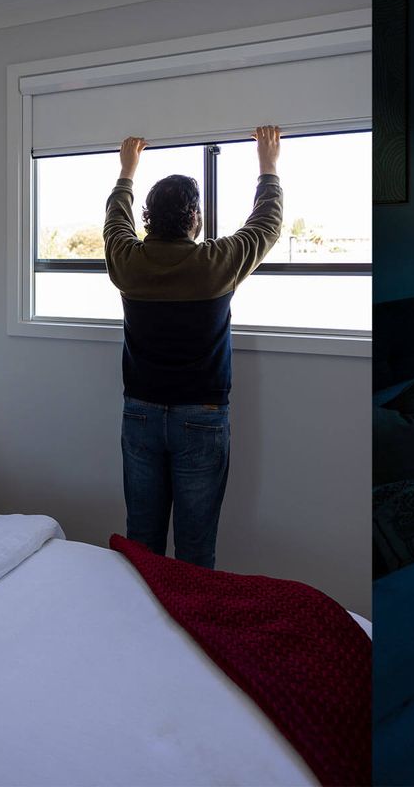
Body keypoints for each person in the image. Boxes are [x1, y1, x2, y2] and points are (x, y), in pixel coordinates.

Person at [103, 126, 282, 567]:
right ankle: (188, 632)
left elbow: (114, 220)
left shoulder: (128, 261)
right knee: (196, 545)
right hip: (201, 417)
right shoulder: (214, 263)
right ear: (195, 218)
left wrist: (127, 172)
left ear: (149, 218)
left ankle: (139, 626)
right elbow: (267, 223)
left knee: (141, 541)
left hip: (140, 413)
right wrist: (268, 166)